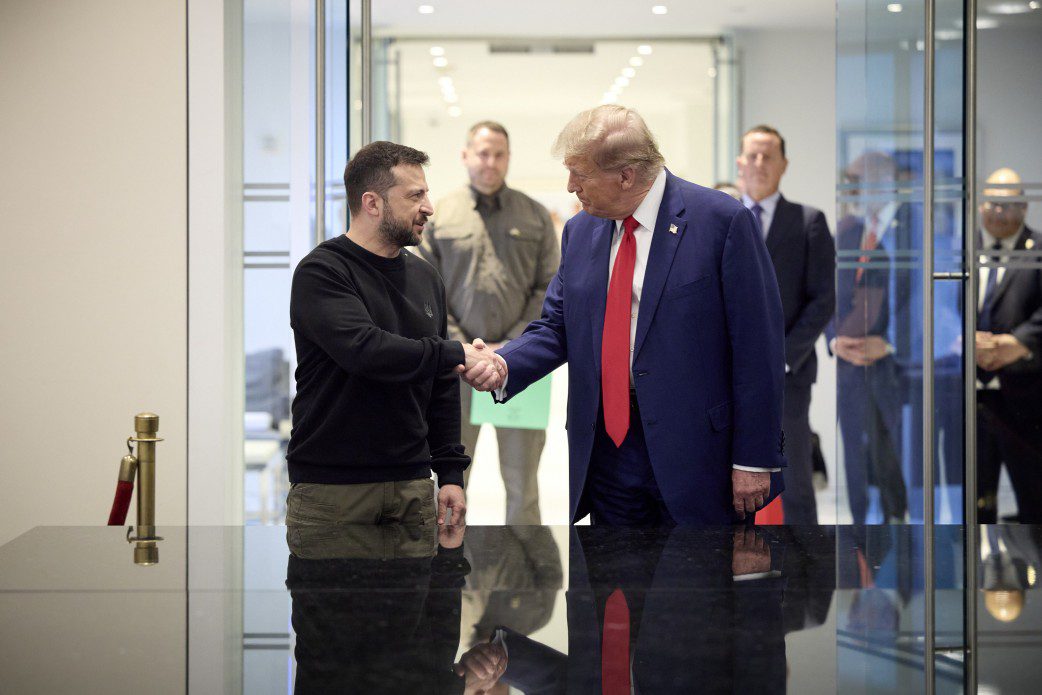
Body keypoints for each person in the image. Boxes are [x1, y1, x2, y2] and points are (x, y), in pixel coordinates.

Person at [464, 105, 786, 526]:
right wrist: (503, 364)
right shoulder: (581, 231)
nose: (570, 186)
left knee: (696, 588)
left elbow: (757, 346)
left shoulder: (721, 222)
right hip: (609, 453)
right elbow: (559, 325)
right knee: (613, 586)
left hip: (698, 454)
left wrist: (754, 458)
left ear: (626, 176)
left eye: (580, 174)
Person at [285, 141, 504, 527]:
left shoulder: (425, 276)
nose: (428, 207)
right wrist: (456, 352)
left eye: (427, 193)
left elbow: (440, 384)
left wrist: (451, 474)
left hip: (412, 487)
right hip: (333, 492)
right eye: (415, 195)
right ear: (372, 203)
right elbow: (366, 350)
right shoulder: (322, 272)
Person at [419, 121, 560, 524]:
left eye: (499, 154)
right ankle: (447, 579)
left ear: (508, 158)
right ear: (465, 156)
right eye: (482, 152)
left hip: (521, 371)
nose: (490, 162)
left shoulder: (533, 215)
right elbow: (427, 293)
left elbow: (548, 288)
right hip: (456, 371)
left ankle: (522, 587)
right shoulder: (441, 215)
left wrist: (510, 351)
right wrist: (466, 349)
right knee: (450, 482)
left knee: (523, 484)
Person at [736, 124, 836, 525]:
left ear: (784, 164)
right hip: (728, 374)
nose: (760, 163)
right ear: (740, 162)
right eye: (753, 155)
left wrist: (782, 357)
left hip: (788, 376)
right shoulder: (721, 219)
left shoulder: (808, 222)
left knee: (793, 479)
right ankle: (727, 577)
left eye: (769, 156)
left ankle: (805, 583)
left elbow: (823, 299)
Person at [830, 151, 910, 524]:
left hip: (900, 369)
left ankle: (906, 553)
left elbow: (933, 300)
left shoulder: (914, 229)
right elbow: (827, 295)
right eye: (851, 179)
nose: (854, 187)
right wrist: (834, 340)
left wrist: (892, 341)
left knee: (896, 461)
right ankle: (862, 556)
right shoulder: (847, 232)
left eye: (860, 179)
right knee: (857, 461)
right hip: (850, 368)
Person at [975, 167, 1042, 523]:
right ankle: (975, 578)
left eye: (1007, 204)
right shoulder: (963, 250)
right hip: (970, 403)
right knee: (975, 508)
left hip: (1026, 402)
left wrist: (1019, 342)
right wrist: (963, 338)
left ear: (1024, 207)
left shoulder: (1039, 249)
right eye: (992, 203)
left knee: (1033, 503)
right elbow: (937, 308)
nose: (998, 212)